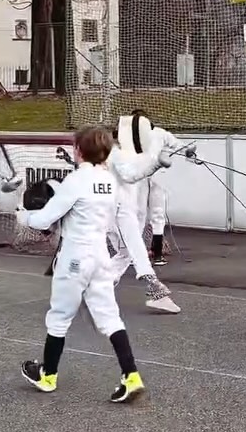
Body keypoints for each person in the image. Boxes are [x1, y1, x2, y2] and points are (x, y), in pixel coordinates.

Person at [18, 124, 170, 402]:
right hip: (101, 256)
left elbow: (43, 219)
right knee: (110, 317)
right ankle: (131, 375)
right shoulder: (110, 182)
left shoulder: (76, 181)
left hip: (76, 257)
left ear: (78, 150)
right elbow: (119, 215)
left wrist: (23, 216)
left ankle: (48, 375)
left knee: (60, 316)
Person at [107, 118, 181, 314]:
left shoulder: (122, 153)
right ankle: (156, 291)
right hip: (117, 211)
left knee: (127, 253)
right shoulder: (116, 154)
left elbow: (137, 169)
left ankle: (95, 288)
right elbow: (130, 175)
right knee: (133, 251)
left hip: (123, 210)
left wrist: (186, 153)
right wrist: (156, 164)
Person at [115, 110, 181, 265]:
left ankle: (157, 252)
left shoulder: (160, 134)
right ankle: (135, 254)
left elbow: (178, 145)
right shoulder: (127, 138)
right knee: (139, 213)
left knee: (157, 213)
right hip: (140, 177)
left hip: (158, 177)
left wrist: (188, 153)